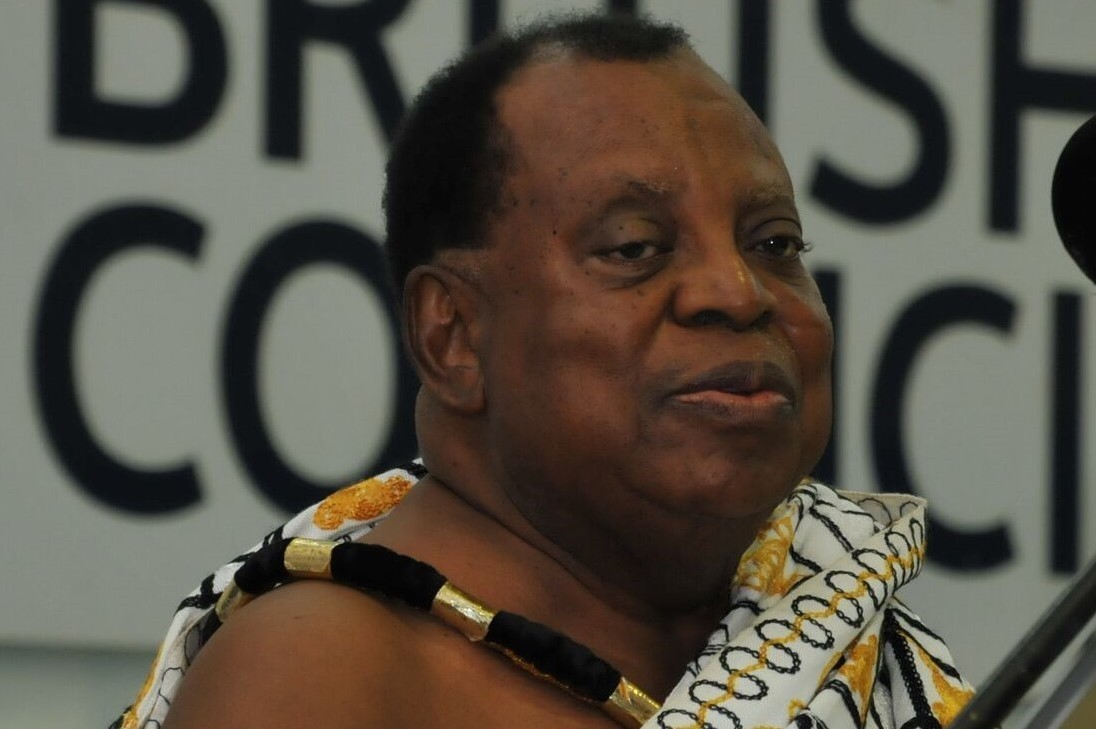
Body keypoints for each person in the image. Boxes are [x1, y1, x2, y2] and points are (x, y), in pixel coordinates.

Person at [114, 13, 973, 729]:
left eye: (775, 243)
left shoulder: (851, 643)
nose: (738, 291)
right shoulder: (324, 676)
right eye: (635, 247)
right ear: (453, 336)